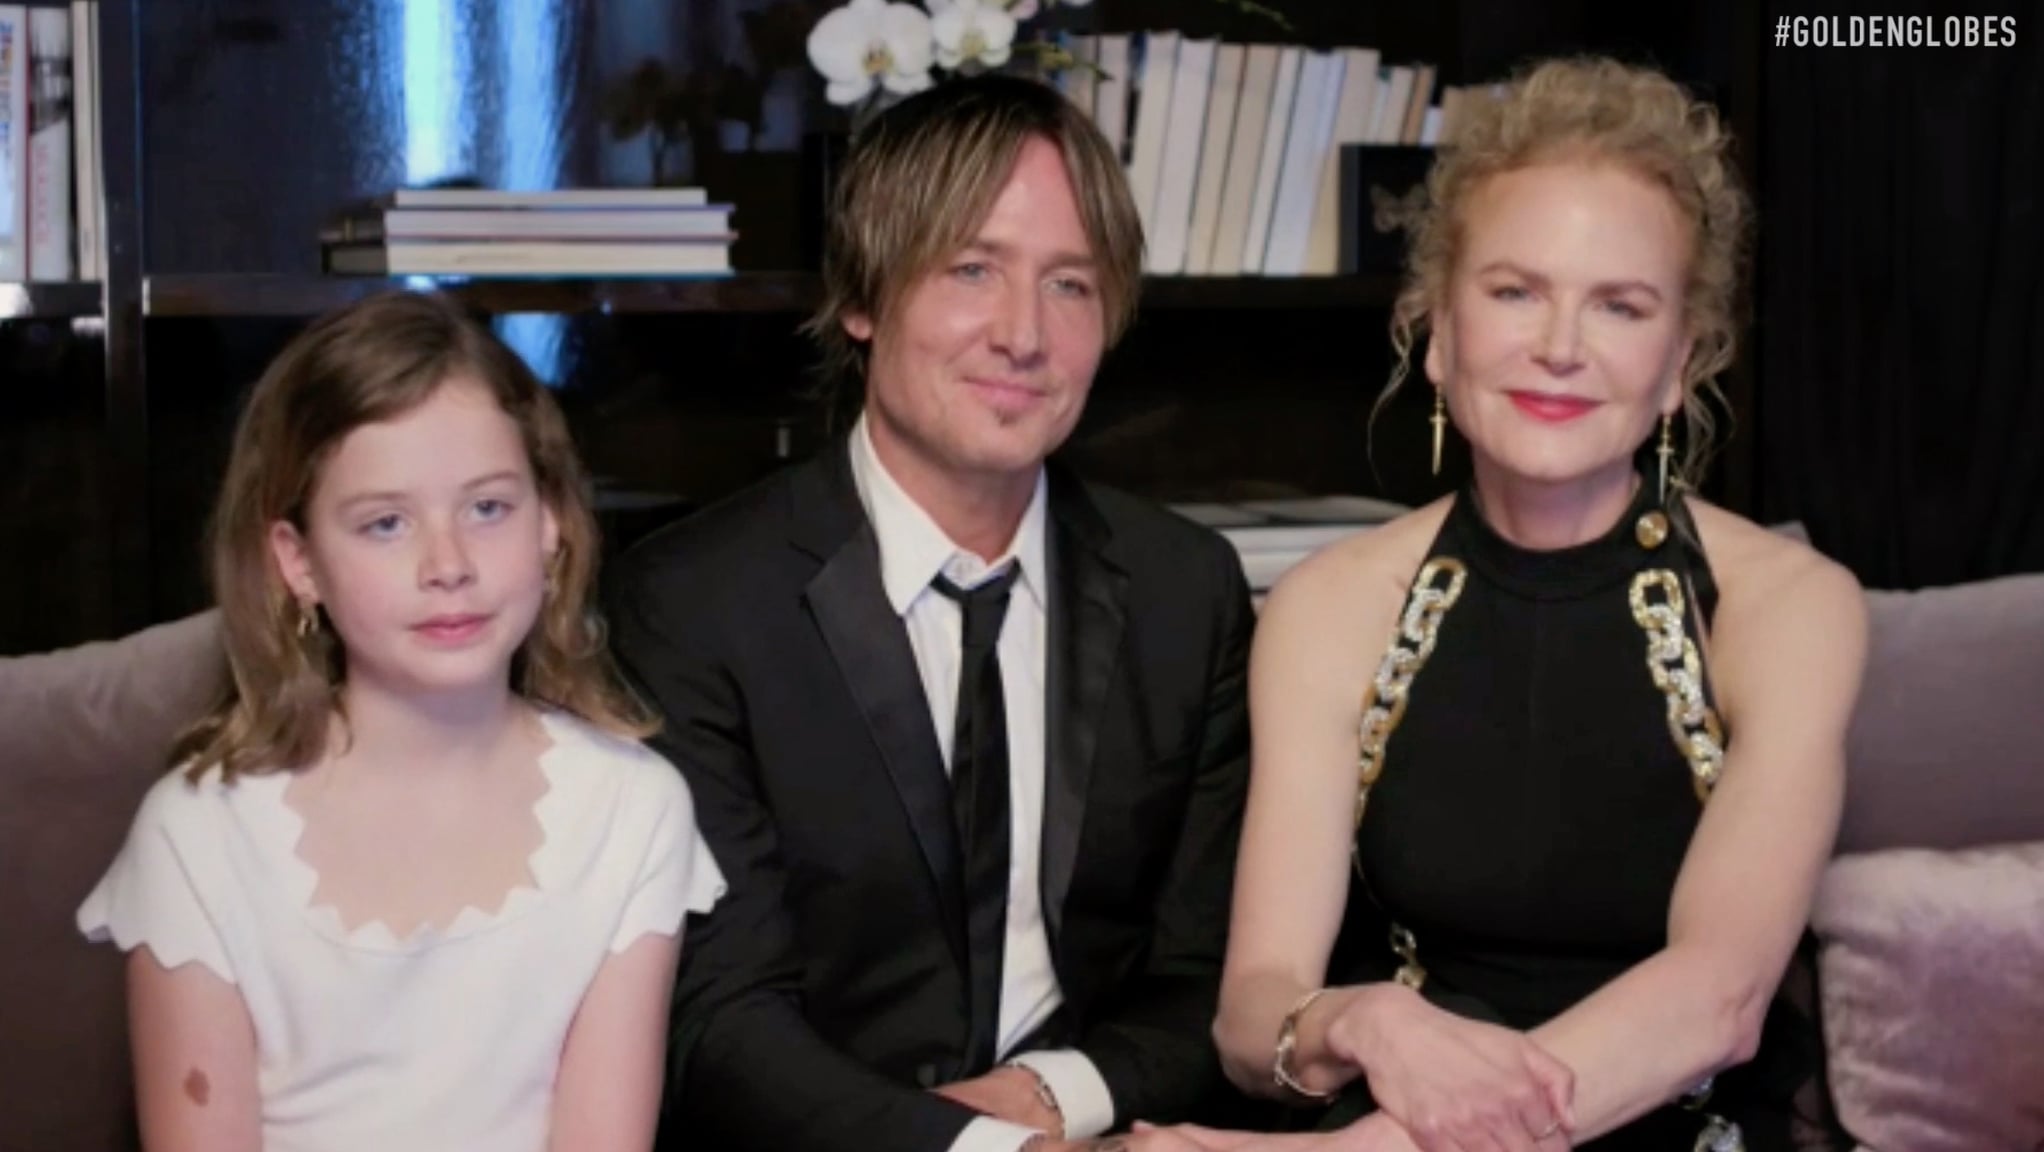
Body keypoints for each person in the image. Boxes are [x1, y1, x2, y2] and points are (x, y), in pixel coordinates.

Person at [1178, 56, 1869, 1152]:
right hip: (1382, 1109)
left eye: (1619, 305)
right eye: (1513, 291)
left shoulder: (1788, 606)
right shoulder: (1328, 605)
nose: (1558, 346)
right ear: (1437, 330)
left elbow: (1718, 1000)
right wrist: (1365, 1019)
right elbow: (1250, 1014)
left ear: (1677, 362)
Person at [608, 74, 1257, 1152]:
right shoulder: (692, 604)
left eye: (1070, 285)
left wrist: (1049, 1101)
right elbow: (719, 1017)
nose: (1023, 335)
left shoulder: (1184, 588)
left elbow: (1213, 977)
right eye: (971, 270)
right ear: (862, 298)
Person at [76, 291, 726, 1152]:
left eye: (488, 508)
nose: (448, 564)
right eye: (385, 524)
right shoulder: (199, 835)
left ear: (553, 525)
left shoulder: (632, 810)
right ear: (297, 562)